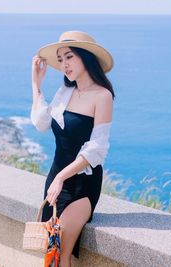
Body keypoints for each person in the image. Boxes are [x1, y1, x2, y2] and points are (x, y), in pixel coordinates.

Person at [30, 30, 114, 266]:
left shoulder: (102, 96)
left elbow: (97, 148)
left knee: (61, 252)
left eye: (69, 57)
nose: (64, 64)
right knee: (50, 250)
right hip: (55, 180)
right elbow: (42, 122)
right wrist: (36, 83)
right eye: (60, 59)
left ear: (85, 57)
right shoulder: (64, 92)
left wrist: (61, 177)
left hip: (81, 183)